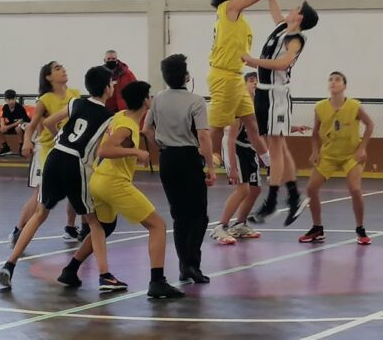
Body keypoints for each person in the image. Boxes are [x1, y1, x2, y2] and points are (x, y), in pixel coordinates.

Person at [57, 81, 184, 299]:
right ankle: (157, 282)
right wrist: (137, 153)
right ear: (145, 100)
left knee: (104, 227)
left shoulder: (119, 116)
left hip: (98, 180)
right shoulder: (128, 125)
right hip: (113, 183)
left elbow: (103, 146)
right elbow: (105, 150)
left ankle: (70, 270)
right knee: (158, 226)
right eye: (150, 96)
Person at [0, 67, 114, 289]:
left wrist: (61, 138)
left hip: (55, 155)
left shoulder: (76, 102)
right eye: (112, 83)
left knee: (40, 213)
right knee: (94, 222)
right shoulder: (108, 117)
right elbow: (101, 149)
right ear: (107, 88)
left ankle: (9, 264)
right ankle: (105, 275)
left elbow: (49, 123)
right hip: (75, 163)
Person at [241, 0, 319, 225]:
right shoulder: (281, 26)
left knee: (275, 149)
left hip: (277, 95)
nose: (291, 9)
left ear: (300, 17)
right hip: (264, 93)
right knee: (280, 148)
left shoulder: (295, 39)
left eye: (296, 9)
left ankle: (273, 202)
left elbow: (284, 63)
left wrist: (253, 60)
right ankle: (294, 197)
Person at [206, 0, 308, 170]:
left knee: (251, 123)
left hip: (235, 75)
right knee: (216, 125)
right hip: (223, 75)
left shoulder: (241, 22)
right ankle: (209, 160)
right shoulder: (228, 8)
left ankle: (270, 164)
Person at [144, 54, 216, 285]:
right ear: (186, 76)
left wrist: (161, 147)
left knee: (178, 214)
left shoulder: (157, 99)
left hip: (168, 159)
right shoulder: (196, 101)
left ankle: (184, 264)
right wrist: (211, 166)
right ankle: (191, 263)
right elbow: (204, 135)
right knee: (198, 214)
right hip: (188, 157)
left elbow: (146, 129)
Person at [8, 62, 82, 248]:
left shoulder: (75, 94)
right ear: (48, 77)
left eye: (63, 67)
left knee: (75, 187)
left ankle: (70, 227)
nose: (63, 70)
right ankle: (19, 229)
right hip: (47, 151)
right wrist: (26, 141)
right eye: (57, 68)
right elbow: (31, 126)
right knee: (40, 194)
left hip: (70, 149)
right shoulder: (45, 99)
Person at [298, 71, 374, 245]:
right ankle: (317, 227)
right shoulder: (320, 107)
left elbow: (370, 125)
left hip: (351, 155)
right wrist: (315, 151)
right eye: (331, 79)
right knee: (311, 188)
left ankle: (360, 228)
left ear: (344, 86)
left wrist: (362, 148)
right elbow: (315, 133)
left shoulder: (354, 106)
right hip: (329, 155)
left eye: (338, 79)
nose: (333, 82)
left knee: (355, 189)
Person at [210, 73, 264, 245]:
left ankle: (240, 224)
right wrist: (232, 166)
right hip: (235, 148)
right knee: (243, 190)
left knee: (256, 189)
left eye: (257, 80)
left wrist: (292, 127)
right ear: (243, 85)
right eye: (251, 80)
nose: (255, 83)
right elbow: (231, 138)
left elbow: (264, 127)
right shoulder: (239, 106)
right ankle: (220, 227)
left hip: (249, 149)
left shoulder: (259, 105)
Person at [0, 89, 30, 156]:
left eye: (12, 99)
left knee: (18, 128)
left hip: (22, 125)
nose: (10, 101)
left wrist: (7, 127)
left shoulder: (19, 107)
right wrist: (2, 126)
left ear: (15, 99)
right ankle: (5, 147)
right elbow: (2, 117)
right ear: (5, 100)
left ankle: (21, 145)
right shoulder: (5, 107)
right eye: (8, 100)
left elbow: (20, 121)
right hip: (12, 124)